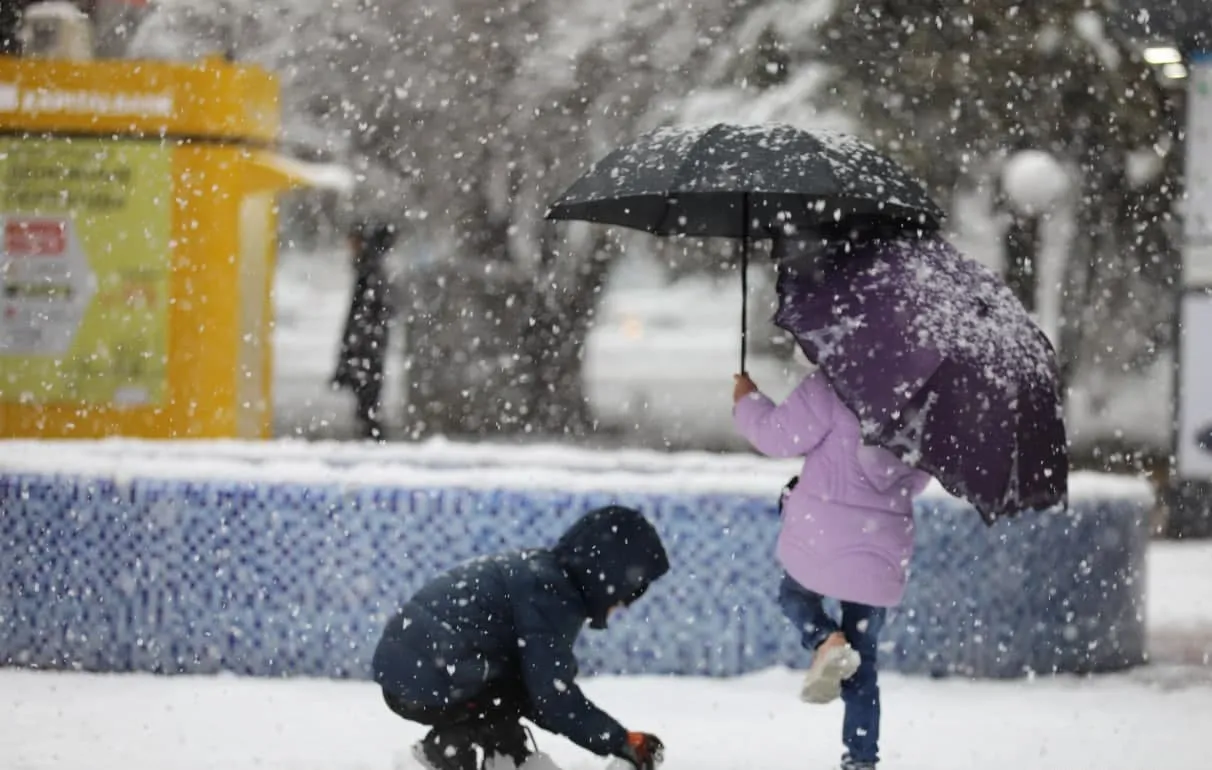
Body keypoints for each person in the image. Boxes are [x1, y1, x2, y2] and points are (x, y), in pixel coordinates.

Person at [732, 357, 933, 770]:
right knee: (864, 662)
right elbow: (916, 481)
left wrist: (746, 399)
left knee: (794, 595)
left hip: (823, 536)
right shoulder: (922, 402)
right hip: (881, 548)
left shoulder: (837, 383)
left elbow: (776, 437)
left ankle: (824, 638)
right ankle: (861, 759)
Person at [372, 505, 669, 770]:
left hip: (414, 670)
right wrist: (619, 740)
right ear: (610, 577)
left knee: (517, 687)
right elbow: (551, 695)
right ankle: (452, 749)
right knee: (521, 689)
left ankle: (502, 748)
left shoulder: (543, 573)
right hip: (427, 676)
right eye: (630, 593)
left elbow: (542, 691)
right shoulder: (553, 595)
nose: (625, 605)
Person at [332, 219, 397, 440]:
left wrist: (356, 344)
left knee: (367, 402)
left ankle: (372, 439)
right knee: (367, 401)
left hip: (366, 347)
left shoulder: (369, 271)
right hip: (368, 346)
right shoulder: (370, 269)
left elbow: (368, 312)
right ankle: (372, 437)